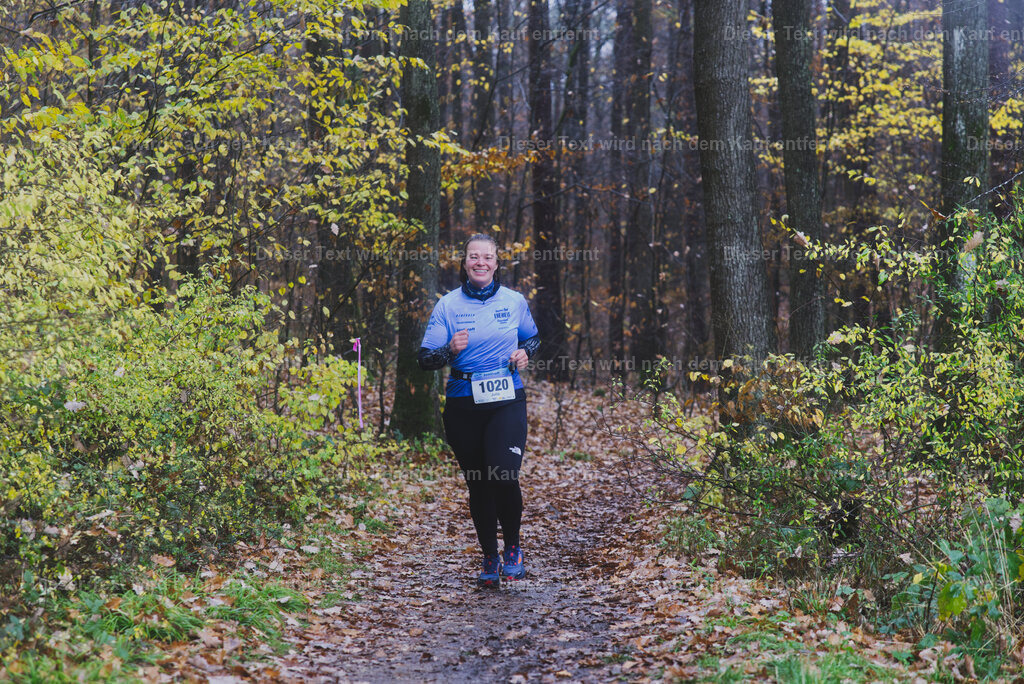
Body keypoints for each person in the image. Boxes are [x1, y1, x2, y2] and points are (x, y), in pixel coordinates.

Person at [417, 234, 541, 587]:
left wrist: (525, 353)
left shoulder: (514, 302)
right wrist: (450, 351)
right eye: (474, 256)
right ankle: (489, 555)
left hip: (506, 398)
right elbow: (426, 359)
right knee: (479, 483)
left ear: (497, 264)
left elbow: (533, 338)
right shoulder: (448, 306)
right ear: (465, 262)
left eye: (488, 257)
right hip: (462, 401)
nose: (481, 262)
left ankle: (513, 547)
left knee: (503, 473)